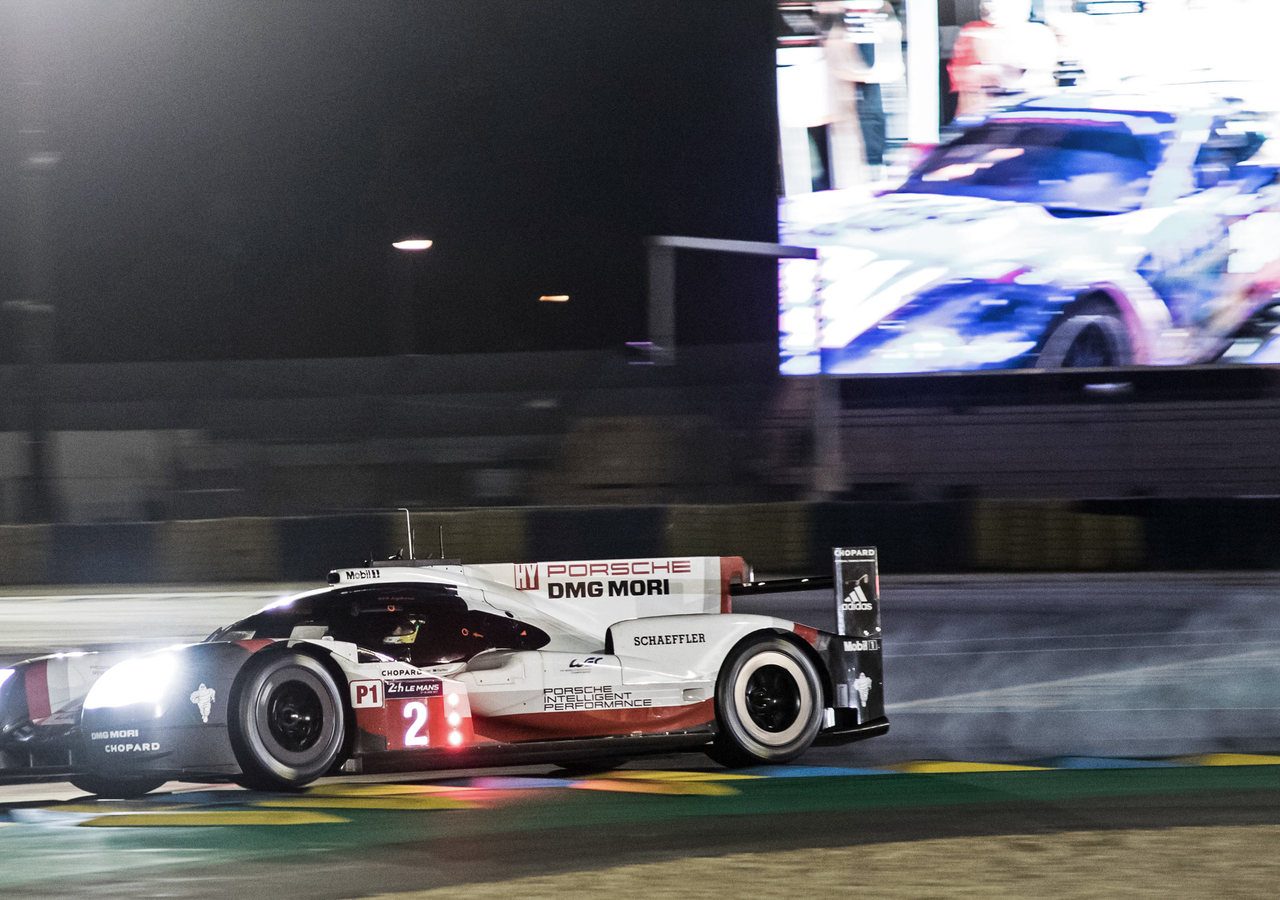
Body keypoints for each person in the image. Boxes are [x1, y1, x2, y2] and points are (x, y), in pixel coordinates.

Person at [819, 1, 904, 183]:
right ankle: (865, 168)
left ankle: (873, 166)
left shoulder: (878, 11)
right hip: (851, 36)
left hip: (867, 37)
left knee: (871, 109)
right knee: (856, 112)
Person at [948, 0, 1058, 120]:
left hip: (1031, 117)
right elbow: (967, 88)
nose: (990, 4)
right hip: (983, 120)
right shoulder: (972, 34)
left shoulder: (1039, 35)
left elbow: (1041, 83)